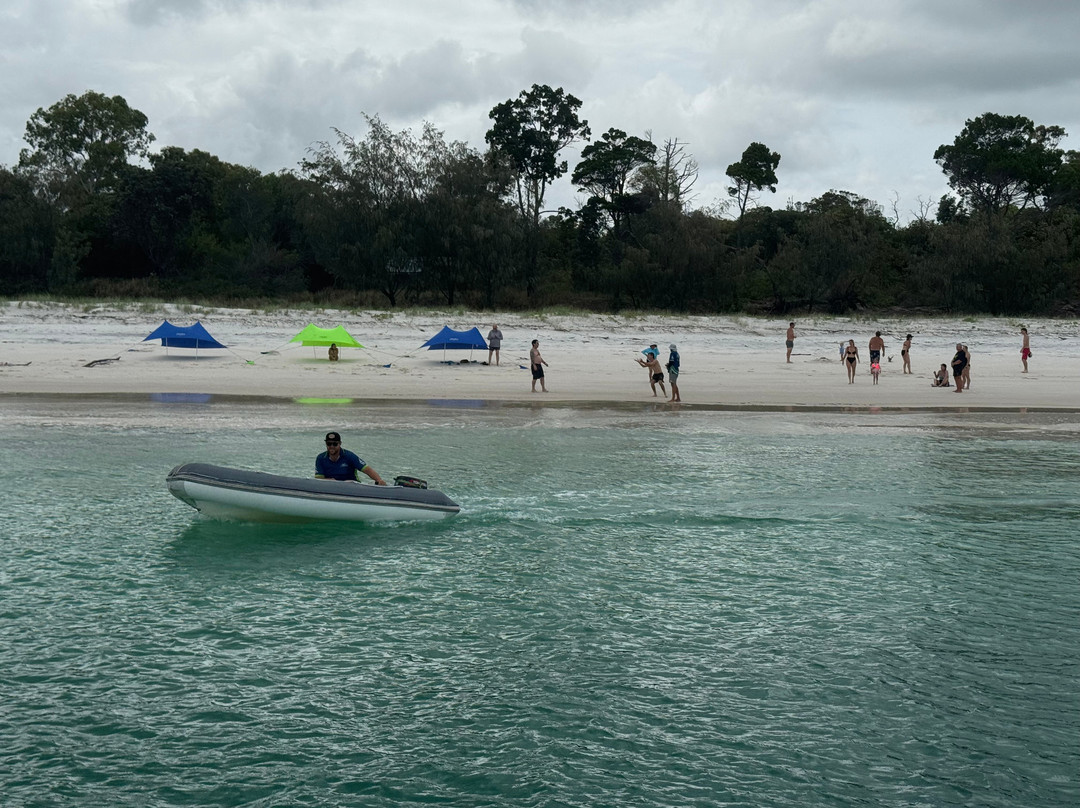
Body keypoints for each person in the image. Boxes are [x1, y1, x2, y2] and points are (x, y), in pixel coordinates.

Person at [315, 431, 386, 484]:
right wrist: (333, 481)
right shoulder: (320, 458)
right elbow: (318, 479)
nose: (332, 446)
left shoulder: (349, 456)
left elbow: (367, 469)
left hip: (351, 487)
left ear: (340, 443)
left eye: (335, 444)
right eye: (329, 444)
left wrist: (379, 480)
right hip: (331, 486)